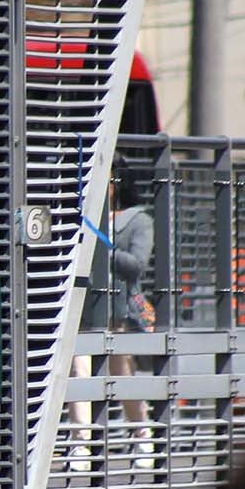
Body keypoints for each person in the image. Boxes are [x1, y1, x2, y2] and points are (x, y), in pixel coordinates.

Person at [68, 178, 156, 472]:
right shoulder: (79, 216)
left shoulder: (138, 220)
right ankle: (81, 444)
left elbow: (137, 265)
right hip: (85, 311)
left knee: (124, 375)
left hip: (120, 314)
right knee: (79, 372)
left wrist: (103, 248)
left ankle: (142, 435)